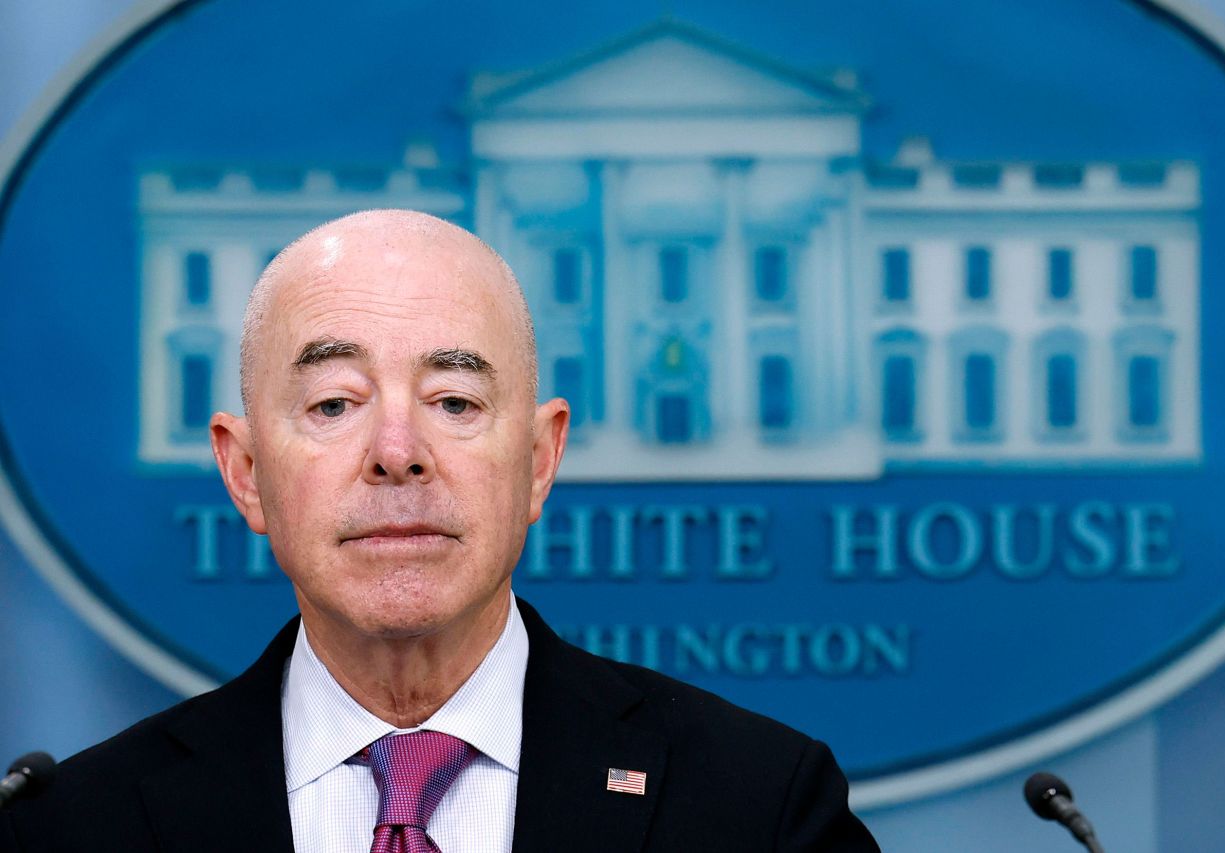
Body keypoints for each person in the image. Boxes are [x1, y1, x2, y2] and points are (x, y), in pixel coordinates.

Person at [0, 210, 879, 852]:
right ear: (246, 472)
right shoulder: (72, 828)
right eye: (335, 402)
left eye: (454, 401)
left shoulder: (758, 808)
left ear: (538, 460)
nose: (396, 453)